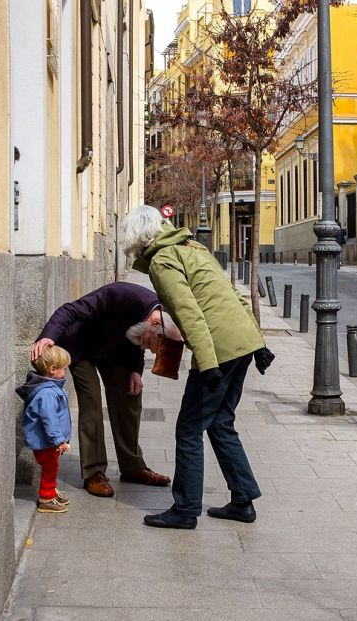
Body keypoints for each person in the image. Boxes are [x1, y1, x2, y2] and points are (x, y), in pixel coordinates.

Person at [122, 205, 275, 529]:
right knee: (220, 422)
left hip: (219, 348)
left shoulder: (163, 262)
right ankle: (243, 499)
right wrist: (258, 341)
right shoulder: (193, 247)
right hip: (241, 342)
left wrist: (206, 365)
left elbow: (190, 313)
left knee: (189, 429)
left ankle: (185, 509)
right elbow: (231, 293)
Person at [32, 282, 172, 498]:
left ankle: (132, 466)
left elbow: (139, 345)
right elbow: (70, 310)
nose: (145, 346)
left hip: (114, 352)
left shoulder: (156, 318)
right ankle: (94, 472)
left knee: (131, 393)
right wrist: (48, 336)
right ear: (152, 323)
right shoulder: (120, 295)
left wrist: (136, 371)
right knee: (91, 401)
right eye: (147, 342)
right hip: (82, 346)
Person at [16, 345, 73, 513]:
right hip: (47, 441)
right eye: (63, 368)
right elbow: (50, 420)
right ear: (52, 370)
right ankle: (46, 497)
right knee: (50, 468)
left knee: (52, 466)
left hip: (47, 441)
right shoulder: (47, 393)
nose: (65, 371)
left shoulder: (50, 388)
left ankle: (51, 491)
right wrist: (59, 440)